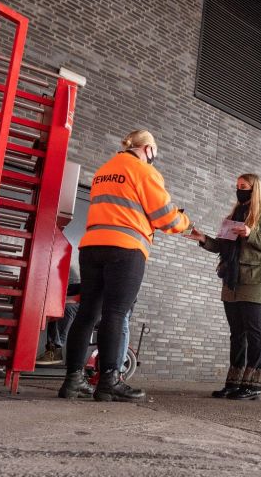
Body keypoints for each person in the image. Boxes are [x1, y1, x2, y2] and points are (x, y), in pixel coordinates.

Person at [58, 130, 190, 402]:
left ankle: (73, 381)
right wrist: (184, 223)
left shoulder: (104, 171)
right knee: (116, 314)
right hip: (126, 248)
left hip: (92, 246)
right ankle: (109, 381)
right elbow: (165, 217)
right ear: (148, 149)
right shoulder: (143, 171)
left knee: (87, 314)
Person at [186, 174, 261, 401]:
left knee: (255, 333)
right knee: (237, 334)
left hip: (255, 282)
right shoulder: (233, 216)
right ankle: (235, 382)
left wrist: (251, 234)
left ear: (254, 188)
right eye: (237, 187)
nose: (239, 190)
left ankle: (254, 386)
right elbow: (222, 246)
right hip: (231, 281)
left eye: (244, 187)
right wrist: (203, 239)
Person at [36, 282, 81, 366]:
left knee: (65, 309)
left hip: (101, 308)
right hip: (88, 300)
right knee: (54, 303)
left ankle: (55, 350)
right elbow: (82, 286)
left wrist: (76, 298)